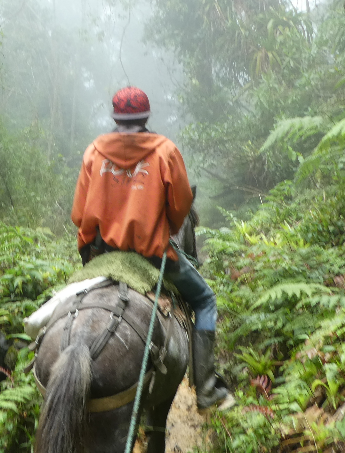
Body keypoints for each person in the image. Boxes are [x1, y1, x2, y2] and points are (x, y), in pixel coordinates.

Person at [71, 86, 234, 411]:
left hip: (103, 255)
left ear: (115, 117)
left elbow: (79, 214)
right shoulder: (165, 151)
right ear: (146, 116)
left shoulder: (94, 152)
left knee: (68, 302)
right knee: (205, 300)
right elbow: (180, 211)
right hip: (155, 256)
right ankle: (206, 389)